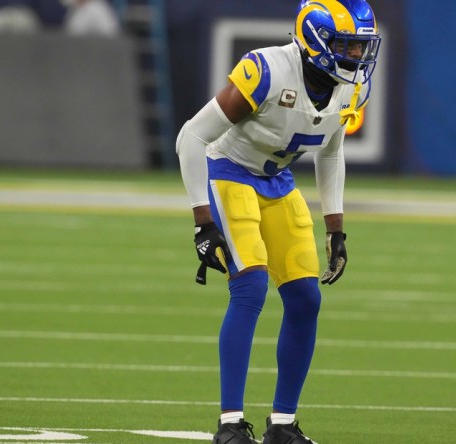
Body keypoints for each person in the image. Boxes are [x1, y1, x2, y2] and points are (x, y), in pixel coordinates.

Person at [175, 1, 381, 443]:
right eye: (345, 44)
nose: (356, 56)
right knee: (249, 286)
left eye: (361, 46)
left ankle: (282, 426)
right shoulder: (266, 69)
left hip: (277, 181)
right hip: (228, 171)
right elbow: (191, 136)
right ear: (316, 40)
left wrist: (336, 228)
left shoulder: (350, 87)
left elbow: (330, 152)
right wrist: (202, 222)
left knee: (306, 297)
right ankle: (230, 424)